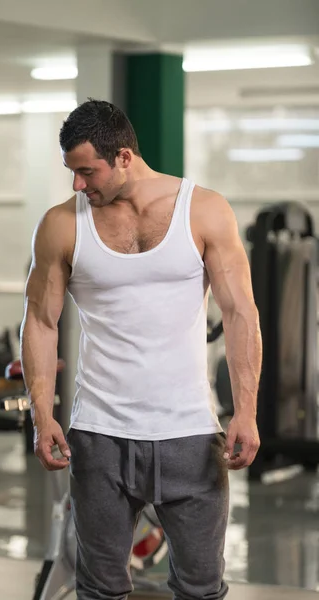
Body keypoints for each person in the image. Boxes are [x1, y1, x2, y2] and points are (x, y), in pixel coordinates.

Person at [20, 99, 262, 600]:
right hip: (98, 436)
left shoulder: (205, 210)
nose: (77, 185)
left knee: (200, 589)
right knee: (100, 589)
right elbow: (41, 322)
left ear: (125, 157)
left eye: (87, 171)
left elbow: (241, 314)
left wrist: (247, 411)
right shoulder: (62, 224)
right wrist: (42, 415)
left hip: (192, 435)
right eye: (71, 172)